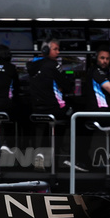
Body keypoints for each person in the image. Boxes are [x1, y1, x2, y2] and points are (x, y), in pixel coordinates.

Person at [27, 39, 70, 170]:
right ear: (46, 50)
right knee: (70, 116)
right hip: (53, 109)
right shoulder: (54, 65)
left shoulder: (32, 65)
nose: (58, 52)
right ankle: (59, 158)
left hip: (36, 109)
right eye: (55, 49)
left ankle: (40, 153)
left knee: (47, 124)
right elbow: (67, 86)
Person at [79, 45, 110, 168]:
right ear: (96, 59)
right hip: (101, 113)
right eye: (102, 58)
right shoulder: (97, 72)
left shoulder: (97, 72)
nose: (105, 61)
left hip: (96, 113)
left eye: (107, 59)